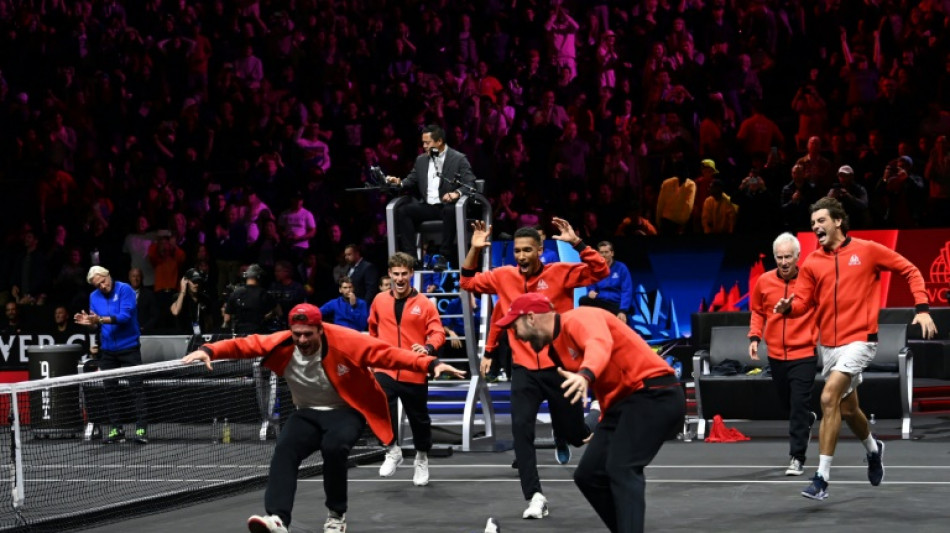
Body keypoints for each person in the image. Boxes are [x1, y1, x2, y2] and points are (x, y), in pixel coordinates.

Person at [181, 304, 465, 533]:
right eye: (297, 334)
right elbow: (245, 345)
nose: (302, 340)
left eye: (308, 334)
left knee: (334, 449)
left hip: (347, 410)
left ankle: (336, 516)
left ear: (321, 330)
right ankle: (278, 520)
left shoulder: (347, 342)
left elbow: (390, 355)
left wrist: (432, 363)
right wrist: (208, 350)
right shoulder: (282, 343)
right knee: (284, 450)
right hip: (306, 412)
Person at [774, 197, 937, 501]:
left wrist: (923, 307)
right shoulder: (811, 263)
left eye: (821, 221)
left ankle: (821, 478)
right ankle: (874, 450)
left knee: (827, 396)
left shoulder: (867, 250)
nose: (815, 227)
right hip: (830, 346)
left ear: (837, 221)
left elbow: (911, 270)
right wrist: (788, 308)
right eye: (812, 223)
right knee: (848, 410)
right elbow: (804, 304)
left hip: (861, 339)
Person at [495, 293, 684, 533]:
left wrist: (586, 374)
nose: (514, 334)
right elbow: (606, 383)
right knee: (589, 475)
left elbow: (599, 344)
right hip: (623, 404)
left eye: (514, 325)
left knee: (621, 467)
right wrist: (604, 418)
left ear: (531, 318)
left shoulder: (579, 318)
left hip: (655, 392)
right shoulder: (555, 350)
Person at [460, 219, 608, 520]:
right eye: (517, 251)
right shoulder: (503, 277)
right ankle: (535, 495)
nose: (522, 256)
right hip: (524, 369)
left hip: (560, 369)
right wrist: (474, 250)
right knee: (521, 432)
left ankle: (590, 414)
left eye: (528, 250)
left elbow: (600, 271)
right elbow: (467, 282)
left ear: (540, 251)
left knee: (578, 437)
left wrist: (577, 243)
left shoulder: (560, 273)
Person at [369, 252, 445, 486]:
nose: (400, 278)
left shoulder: (423, 303)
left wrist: (428, 347)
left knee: (419, 419)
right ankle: (392, 449)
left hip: (414, 369)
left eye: (404, 274)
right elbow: (372, 330)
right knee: (380, 406)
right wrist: (373, 359)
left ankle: (421, 458)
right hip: (386, 366)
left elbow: (437, 332)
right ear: (390, 274)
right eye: (396, 274)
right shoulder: (379, 300)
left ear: (411, 274)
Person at [748, 233, 819, 476]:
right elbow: (757, 311)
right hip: (776, 355)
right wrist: (755, 337)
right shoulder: (764, 281)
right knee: (787, 404)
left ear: (798, 257)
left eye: (789, 256)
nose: (784, 262)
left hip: (804, 353)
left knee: (798, 404)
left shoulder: (810, 282)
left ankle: (797, 457)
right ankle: (807, 417)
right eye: (780, 257)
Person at [385, 124, 477, 271]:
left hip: (451, 206)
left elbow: (470, 183)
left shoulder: (459, 159)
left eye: (427, 143)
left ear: (439, 141)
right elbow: (410, 180)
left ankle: (443, 256)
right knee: (403, 211)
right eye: (423, 143)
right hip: (429, 207)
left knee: (450, 210)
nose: (424, 146)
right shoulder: (421, 160)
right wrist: (399, 182)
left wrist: (456, 194)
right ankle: (412, 258)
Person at [74, 266, 148, 444]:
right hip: (107, 350)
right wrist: (89, 323)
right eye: (97, 285)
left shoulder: (125, 290)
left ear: (108, 275)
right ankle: (116, 429)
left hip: (129, 347)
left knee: (136, 388)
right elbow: (96, 325)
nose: (102, 286)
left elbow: (124, 317)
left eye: (103, 282)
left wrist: (99, 319)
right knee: (110, 390)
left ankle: (141, 429)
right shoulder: (94, 297)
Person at [579, 241, 633, 323]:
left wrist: (623, 310)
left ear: (612, 253)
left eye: (606, 252)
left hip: (616, 303)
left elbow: (627, 291)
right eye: (601, 252)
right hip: (601, 301)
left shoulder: (621, 268)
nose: (604, 255)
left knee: (623, 316)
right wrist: (591, 291)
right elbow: (591, 286)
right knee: (583, 300)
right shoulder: (595, 269)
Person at [224, 264, 278, 335]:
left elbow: (227, 318)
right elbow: (279, 312)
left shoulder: (235, 293)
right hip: (258, 334)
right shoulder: (264, 294)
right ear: (259, 277)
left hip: (240, 334)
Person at [170, 267, 216, 335]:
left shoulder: (205, 299)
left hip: (200, 336)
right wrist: (183, 291)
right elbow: (176, 311)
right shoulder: (178, 297)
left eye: (198, 281)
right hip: (183, 336)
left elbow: (209, 323)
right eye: (194, 281)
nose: (196, 284)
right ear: (186, 281)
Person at [129, 268, 160, 334]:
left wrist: (144, 328)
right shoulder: (123, 294)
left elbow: (155, 316)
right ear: (129, 278)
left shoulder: (149, 294)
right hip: (127, 332)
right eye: (133, 276)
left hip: (144, 333)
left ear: (142, 278)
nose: (136, 279)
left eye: (138, 276)